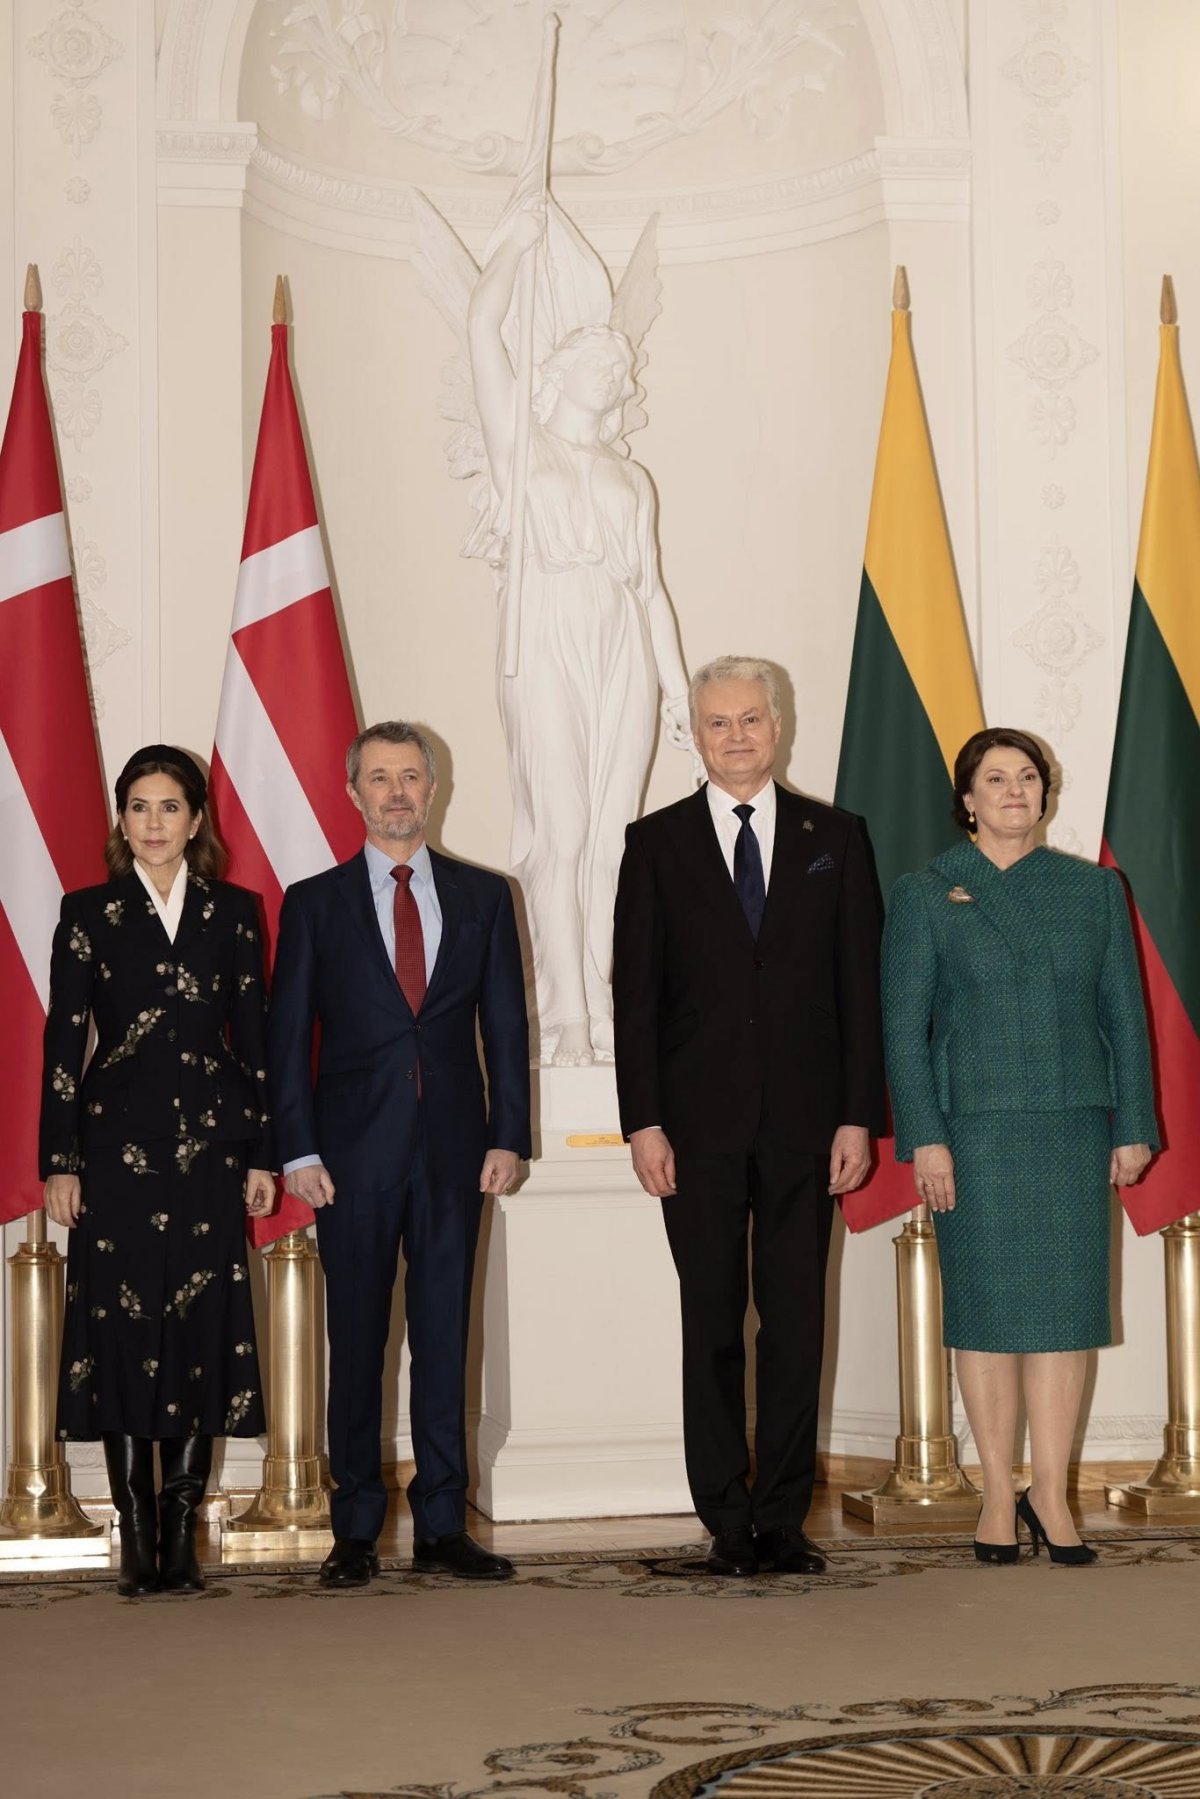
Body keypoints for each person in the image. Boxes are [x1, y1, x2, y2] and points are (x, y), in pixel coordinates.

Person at [613, 657, 886, 1577]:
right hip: (694, 1130)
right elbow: (637, 999)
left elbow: (862, 988)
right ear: (695, 733)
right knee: (714, 1322)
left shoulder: (837, 836)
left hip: (811, 1126)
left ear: (781, 726)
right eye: (718, 722)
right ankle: (726, 1516)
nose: (736, 735)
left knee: (798, 1322)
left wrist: (858, 1116)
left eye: (751, 719)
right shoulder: (653, 843)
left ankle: (784, 1516)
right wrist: (643, 1122)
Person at [882, 727, 1157, 1567]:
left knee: (1065, 1320)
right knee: (991, 1319)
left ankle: (1052, 1491)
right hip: (976, 1133)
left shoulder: (1094, 889)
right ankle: (999, 1492)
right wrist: (925, 1137)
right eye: (993, 778)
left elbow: (1124, 1016)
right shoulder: (929, 891)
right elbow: (904, 1029)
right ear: (966, 798)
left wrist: (1134, 1122)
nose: (1012, 790)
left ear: (1047, 791)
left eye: (1026, 776)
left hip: (1074, 1126)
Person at [268, 722, 531, 1588]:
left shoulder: (486, 896)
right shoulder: (314, 903)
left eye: (409, 776)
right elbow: (286, 1037)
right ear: (353, 792)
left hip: (457, 1152)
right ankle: (353, 1530)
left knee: (445, 1336)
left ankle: (445, 1521)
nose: (395, 793)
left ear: (433, 786)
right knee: (357, 1343)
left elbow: (504, 1024)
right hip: (349, 1158)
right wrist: (296, 1145)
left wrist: (508, 1133)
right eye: (378, 778)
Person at [40, 745, 273, 1598]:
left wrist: (264, 1151)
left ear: (196, 817)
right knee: (125, 1332)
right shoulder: (88, 912)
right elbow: (64, 1043)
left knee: (201, 1331)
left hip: (213, 1153)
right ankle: (136, 1529)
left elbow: (255, 1042)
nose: (153, 823)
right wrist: (58, 1160)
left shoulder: (236, 912)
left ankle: (183, 1529)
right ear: (120, 818)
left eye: (169, 806)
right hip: (115, 1154)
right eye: (138, 807)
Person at [468, 200, 693, 1067]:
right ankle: (561, 1009)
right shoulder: (519, 447)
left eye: (618, 360)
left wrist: (676, 686)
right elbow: (483, 334)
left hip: (622, 639)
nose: (612, 369)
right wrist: (510, 251)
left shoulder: (631, 478)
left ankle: (602, 998)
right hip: (546, 625)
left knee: (613, 836)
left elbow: (653, 589)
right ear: (557, 372)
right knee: (559, 830)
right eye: (595, 359)